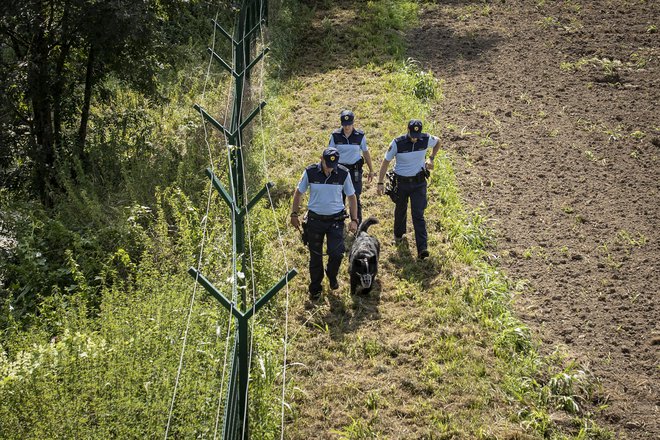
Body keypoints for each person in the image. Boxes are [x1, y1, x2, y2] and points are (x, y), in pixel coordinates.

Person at [291, 147, 359, 299]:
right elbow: (299, 193)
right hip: (315, 221)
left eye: (332, 165)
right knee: (315, 257)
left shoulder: (343, 173)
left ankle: (332, 274)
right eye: (327, 164)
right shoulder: (310, 172)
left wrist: (354, 219)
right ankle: (315, 288)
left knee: (337, 253)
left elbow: (352, 196)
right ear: (321, 159)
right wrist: (294, 213)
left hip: (336, 221)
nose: (329, 168)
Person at [376, 119, 440, 260]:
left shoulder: (425, 139)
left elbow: (438, 142)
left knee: (418, 214)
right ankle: (399, 235)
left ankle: (422, 249)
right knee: (400, 209)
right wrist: (380, 182)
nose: (414, 138)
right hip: (401, 183)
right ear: (407, 130)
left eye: (417, 135)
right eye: (412, 135)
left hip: (418, 183)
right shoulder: (397, 143)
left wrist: (431, 158)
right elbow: (385, 162)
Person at [328, 110, 375, 224]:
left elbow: (365, 152)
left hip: (355, 170)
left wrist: (371, 170)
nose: (347, 127)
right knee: (339, 198)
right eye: (344, 125)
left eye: (349, 124)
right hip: (339, 170)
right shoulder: (335, 135)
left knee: (355, 196)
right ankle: (339, 224)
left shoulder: (360, 136)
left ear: (353, 123)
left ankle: (357, 224)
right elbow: (329, 153)